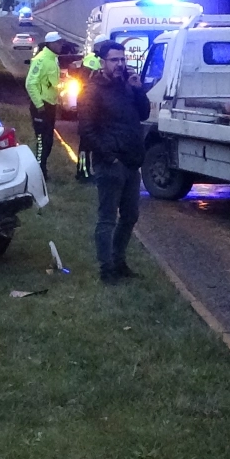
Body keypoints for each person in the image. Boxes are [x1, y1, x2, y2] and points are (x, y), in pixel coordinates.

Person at [80, 39, 150, 283]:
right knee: (107, 218)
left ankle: (119, 260)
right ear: (102, 62)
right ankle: (106, 269)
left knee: (130, 216)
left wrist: (139, 90)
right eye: (114, 60)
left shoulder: (128, 86)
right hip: (111, 164)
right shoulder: (93, 91)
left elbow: (143, 114)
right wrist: (108, 157)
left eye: (122, 59)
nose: (120, 64)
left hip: (131, 163)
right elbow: (86, 130)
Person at [24, 31, 62, 177]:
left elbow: (51, 82)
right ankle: (39, 171)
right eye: (58, 43)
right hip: (41, 106)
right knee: (42, 140)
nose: (60, 45)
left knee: (48, 140)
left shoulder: (53, 58)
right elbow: (30, 83)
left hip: (50, 104)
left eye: (60, 42)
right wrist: (39, 104)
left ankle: (42, 168)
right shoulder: (41, 59)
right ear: (50, 44)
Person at [73, 45, 103, 181]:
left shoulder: (93, 59)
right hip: (87, 105)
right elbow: (87, 80)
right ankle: (83, 173)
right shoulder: (93, 60)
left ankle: (85, 171)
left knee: (87, 144)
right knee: (85, 144)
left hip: (88, 104)